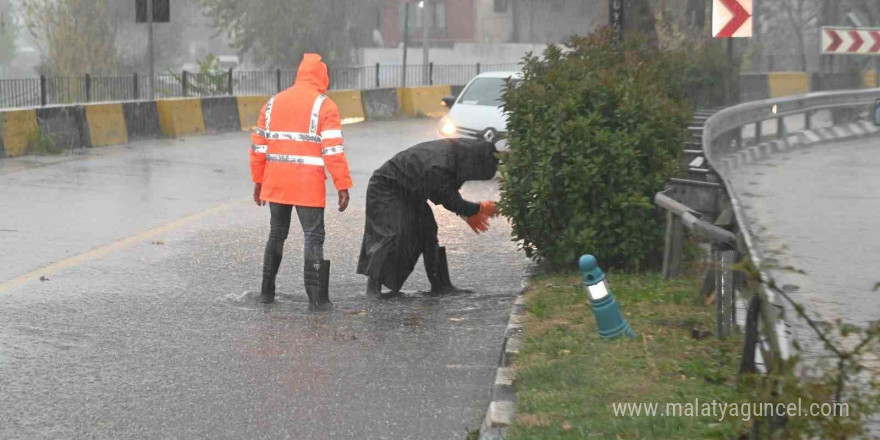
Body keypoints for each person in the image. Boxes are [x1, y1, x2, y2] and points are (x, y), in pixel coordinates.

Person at [249, 53, 353, 310]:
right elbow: (332, 150)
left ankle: (266, 292)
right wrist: (342, 185)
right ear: (322, 76)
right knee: (313, 236)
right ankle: (317, 299)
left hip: (276, 183)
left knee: (276, 233)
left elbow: (258, 147)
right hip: (307, 186)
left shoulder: (273, 103)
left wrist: (258, 180)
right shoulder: (324, 105)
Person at [357, 138, 499, 297]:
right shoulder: (440, 165)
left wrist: (467, 214)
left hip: (410, 191)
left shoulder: (458, 155)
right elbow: (449, 198)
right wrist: (479, 208)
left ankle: (441, 285)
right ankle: (373, 289)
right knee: (392, 234)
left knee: (428, 230)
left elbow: (449, 191)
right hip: (386, 188)